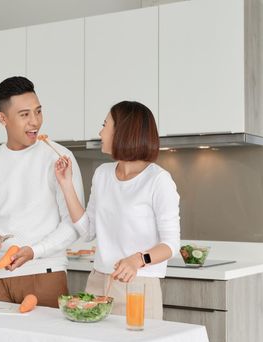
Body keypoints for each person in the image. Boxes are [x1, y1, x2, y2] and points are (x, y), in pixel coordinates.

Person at [0, 76, 84, 308]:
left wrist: (35, 251)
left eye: (38, 112)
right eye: (24, 115)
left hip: (45, 273)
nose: (35, 122)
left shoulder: (59, 158)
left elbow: (73, 224)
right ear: (2, 118)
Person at [54, 101, 180, 319]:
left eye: (105, 125)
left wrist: (138, 260)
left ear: (123, 131)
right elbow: (88, 231)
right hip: (97, 281)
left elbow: (171, 245)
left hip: (137, 286)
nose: (100, 132)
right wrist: (66, 185)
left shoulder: (158, 180)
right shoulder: (102, 174)